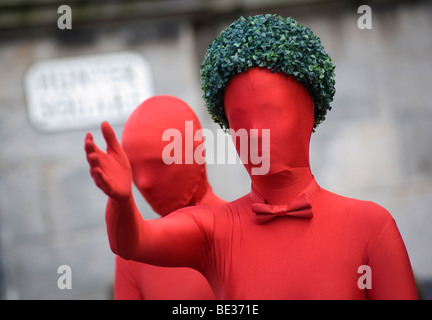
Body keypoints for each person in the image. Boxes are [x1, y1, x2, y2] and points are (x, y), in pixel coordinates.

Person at [85, 15, 418, 299]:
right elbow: (133, 242)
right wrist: (121, 200)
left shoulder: (370, 227)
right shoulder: (213, 231)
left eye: (271, 112)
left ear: (308, 114)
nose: (255, 132)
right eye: (239, 121)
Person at [86, 95, 225, 299]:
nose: (144, 183)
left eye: (159, 164)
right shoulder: (135, 257)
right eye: (134, 168)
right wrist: (120, 203)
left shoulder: (241, 227)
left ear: (196, 151)